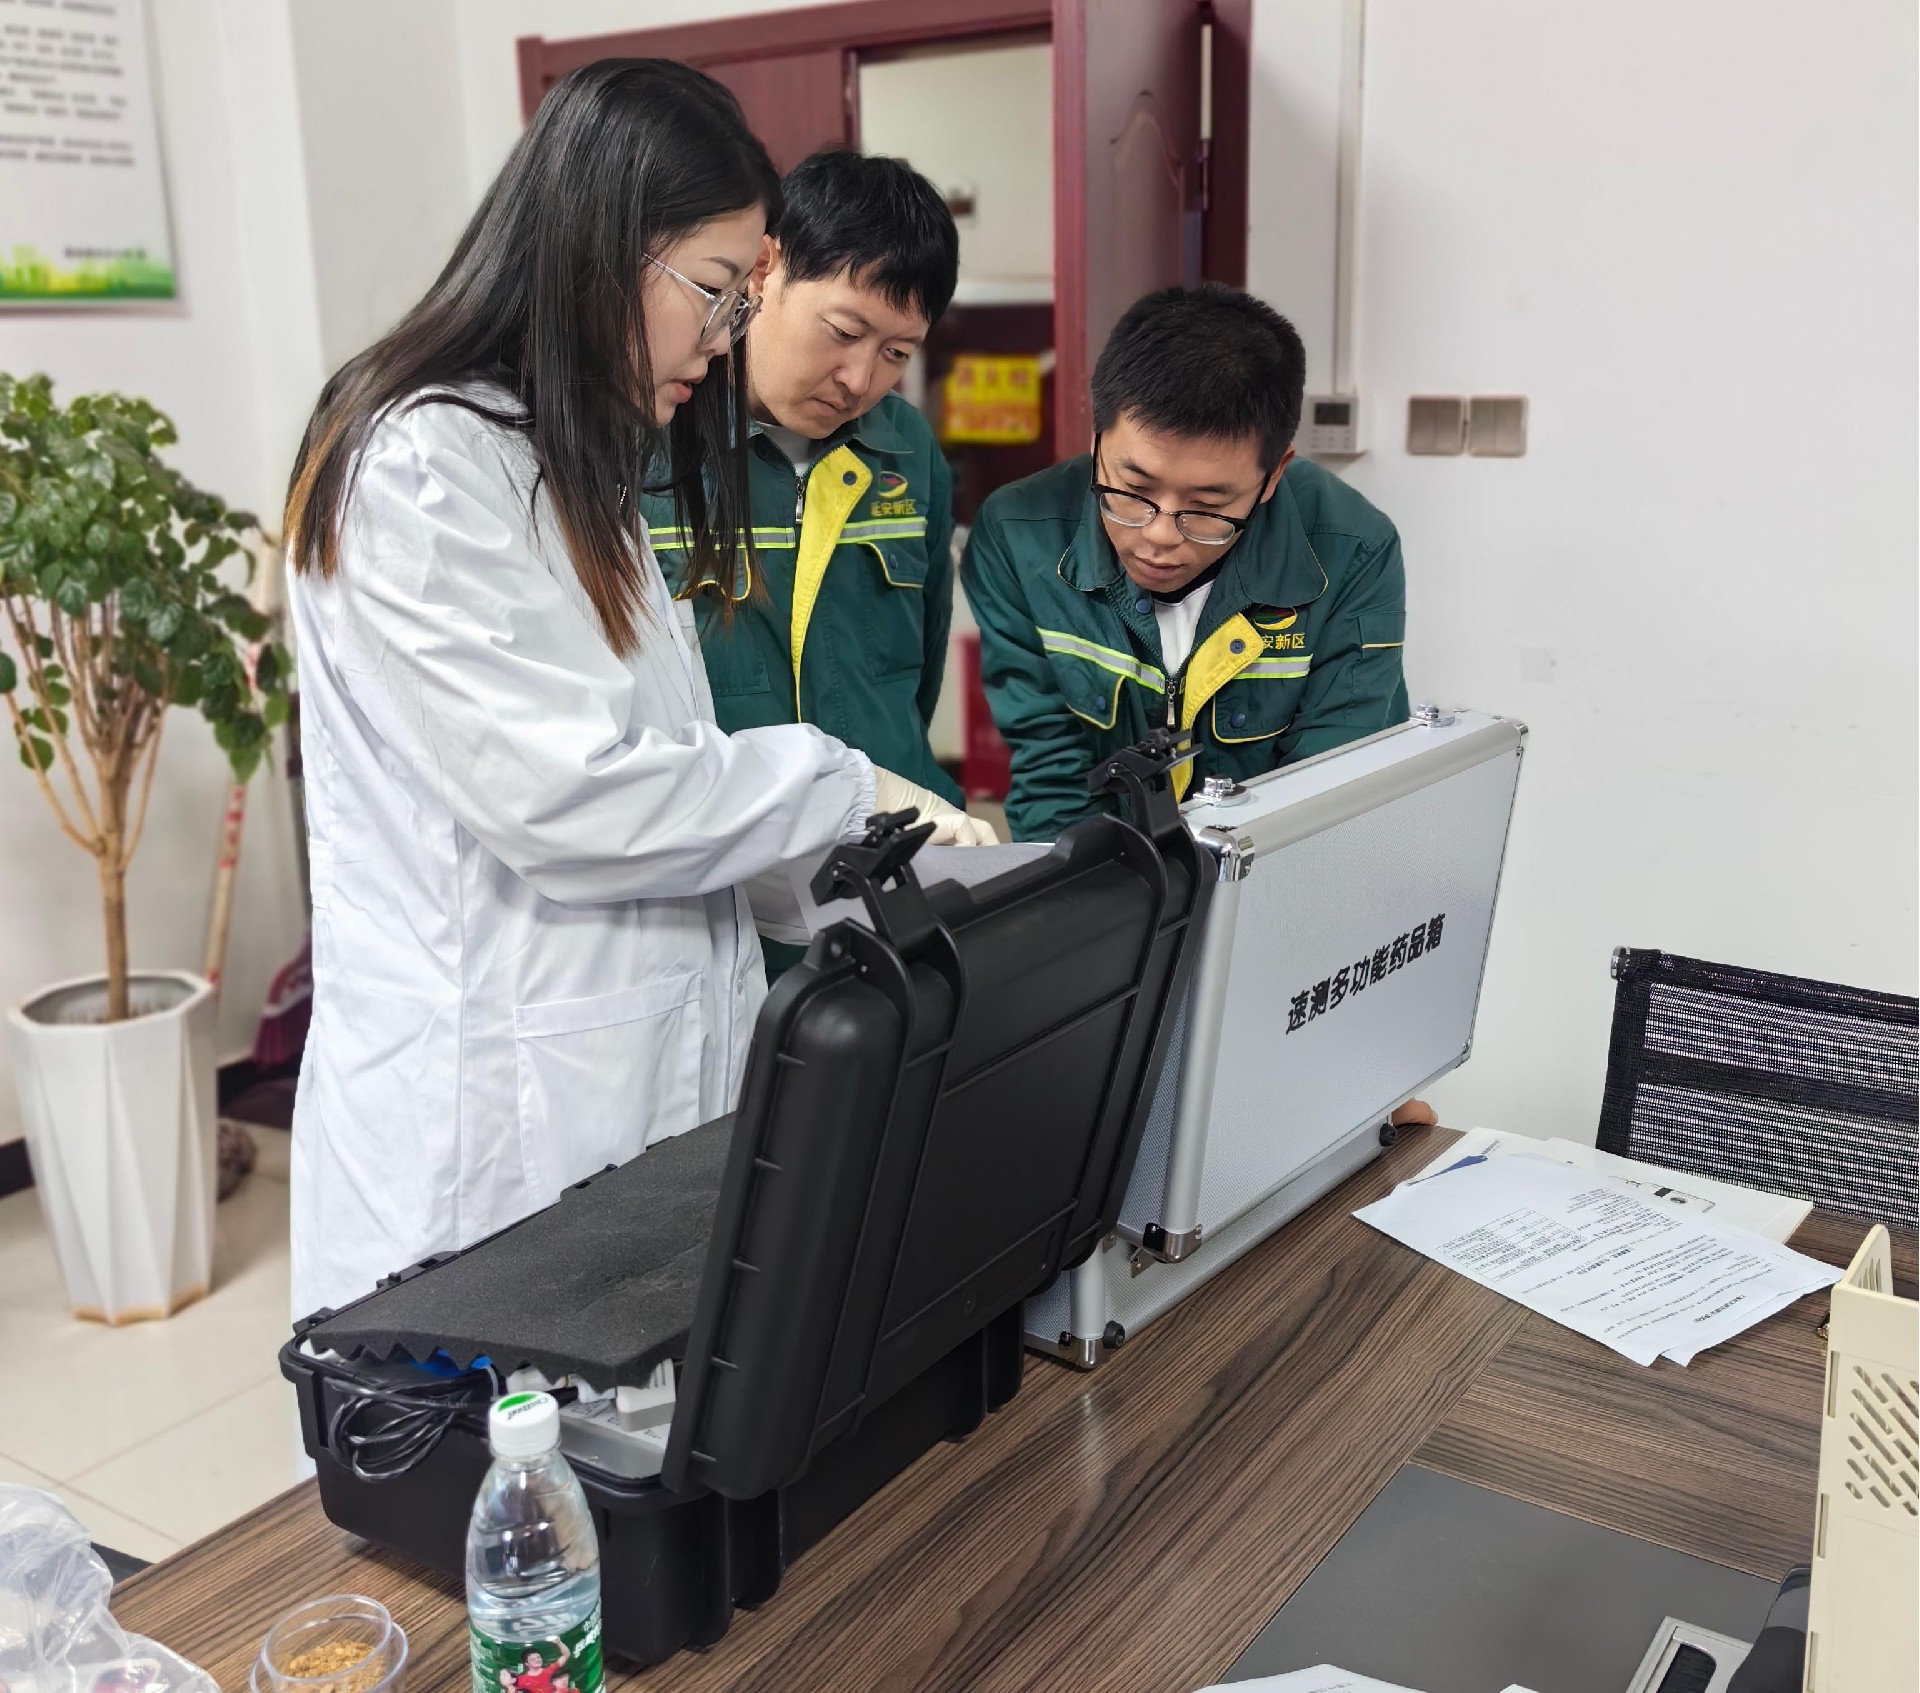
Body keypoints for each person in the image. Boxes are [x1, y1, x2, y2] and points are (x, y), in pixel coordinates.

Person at [281, 61, 991, 1319]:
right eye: (716, 293)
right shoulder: (423, 464)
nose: (723, 340)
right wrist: (836, 785)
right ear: (604, 249)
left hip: (637, 1082)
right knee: (512, 1421)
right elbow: (572, 800)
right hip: (492, 1123)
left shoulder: (580, 462)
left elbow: (670, 781)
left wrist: (869, 875)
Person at [642, 149, 974, 969]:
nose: (859, 378)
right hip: (716, 900)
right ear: (766, 269)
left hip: (889, 882)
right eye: (845, 332)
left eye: (898, 353)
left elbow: (920, 672)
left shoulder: (907, 451)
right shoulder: (651, 438)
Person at [965, 284, 1410, 841]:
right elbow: (1052, 778)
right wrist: (1090, 894)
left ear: (1274, 475)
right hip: (1112, 877)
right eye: (1133, 489)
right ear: (1097, 437)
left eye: (1206, 506)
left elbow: (1328, 796)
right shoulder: (1018, 536)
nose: (1158, 536)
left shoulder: (1352, 552)